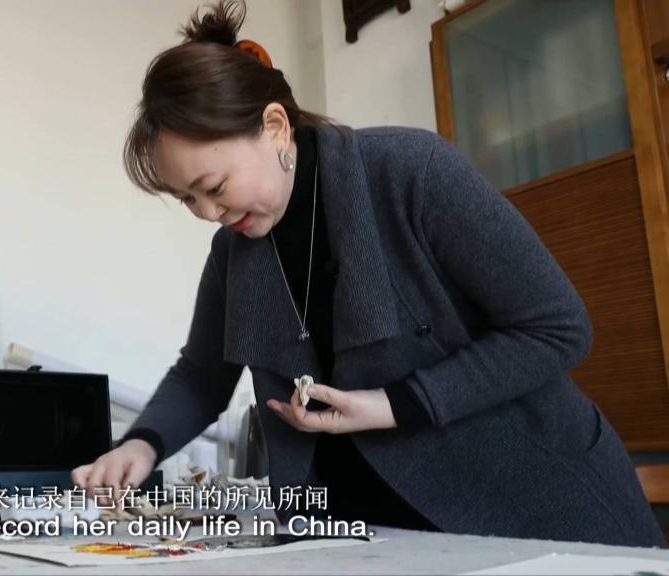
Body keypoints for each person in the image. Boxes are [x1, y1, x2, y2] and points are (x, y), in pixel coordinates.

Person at [71, 0, 665, 547]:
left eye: (214, 187)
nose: (208, 214)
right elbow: (202, 374)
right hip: (360, 537)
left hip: (526, 509)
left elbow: (557, 328)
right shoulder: (233, 252)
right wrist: (142, 445)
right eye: (187, 200)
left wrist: (395, 404)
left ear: (274, 128)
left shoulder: (414, 172)